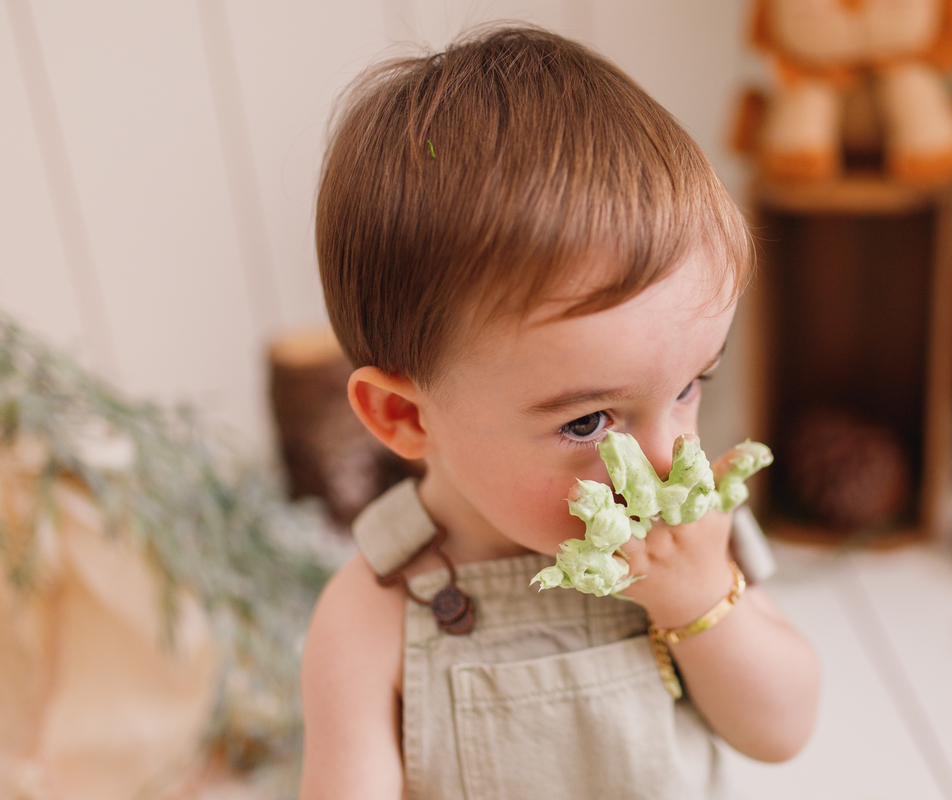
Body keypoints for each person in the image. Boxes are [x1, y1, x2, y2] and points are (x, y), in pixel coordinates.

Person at [300, 25, 820, 800]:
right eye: (588, 424)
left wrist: (701, 603)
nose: (661, 460)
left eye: (689, 386)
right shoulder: (375, 614)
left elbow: (782, 729)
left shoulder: (695, 544)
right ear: (405, 419)